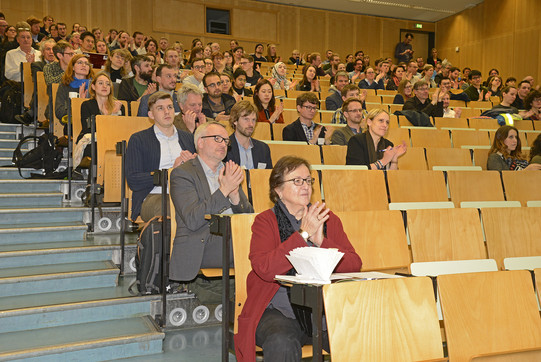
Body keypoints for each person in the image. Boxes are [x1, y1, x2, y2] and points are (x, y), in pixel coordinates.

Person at [235, 155, 362, 361]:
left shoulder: (328, 219)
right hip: (278, 310)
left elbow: (354, 265)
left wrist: (321, 241)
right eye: (297, 181)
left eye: (308, 180)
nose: (305, 186)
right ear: (278, 190)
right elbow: (265, 268)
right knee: (281, 342)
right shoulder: (265, 221)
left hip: (325, 310)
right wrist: (303, 235)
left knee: (362, 335)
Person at [169, 122, 253, 283]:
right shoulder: (183, 174)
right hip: (203, 243)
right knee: (262, 249)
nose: (223, 144)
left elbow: (248, 219)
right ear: (200, 142)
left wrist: (235, 196)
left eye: (226, 141)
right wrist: (224, 191)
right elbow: (193, 220)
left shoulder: (228, 171)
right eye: (217, 139)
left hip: (233, 237)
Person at [126, 91, 196, 222]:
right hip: (153, 196)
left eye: (170, 107)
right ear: (151, 115)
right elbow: (133, 180)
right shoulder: (139, 139)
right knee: (168, 208)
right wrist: (168, 174)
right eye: (160, 108)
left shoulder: (188, 138)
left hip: (186, 194)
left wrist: (193, 164)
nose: (167, 112)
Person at [75, 73, 125, 164]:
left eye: (108, 84)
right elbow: (88, 130)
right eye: (101, 83)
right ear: (93, 87)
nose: (105, 86)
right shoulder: (87, 105)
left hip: (114, 141)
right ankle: (95, 177)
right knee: (96, 148)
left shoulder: (119, 107)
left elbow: (121, 131)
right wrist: (112, 115)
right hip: (92, 142)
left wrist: (117, 113)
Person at [226, 100, 272, 169]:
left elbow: (268, 177)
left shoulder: (263, 149)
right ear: (235, 120)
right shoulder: (225, 147)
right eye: (246, 119)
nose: (251, 124)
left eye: (253, 120)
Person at [55, 54, 95, 131]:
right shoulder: (65, 85)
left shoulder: (94, 86)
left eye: (87, 64)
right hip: (72, 125)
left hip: (92, 124)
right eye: (80, 62)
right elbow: (59, 111)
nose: (84, 65)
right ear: (72, 67)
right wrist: (79, 103)